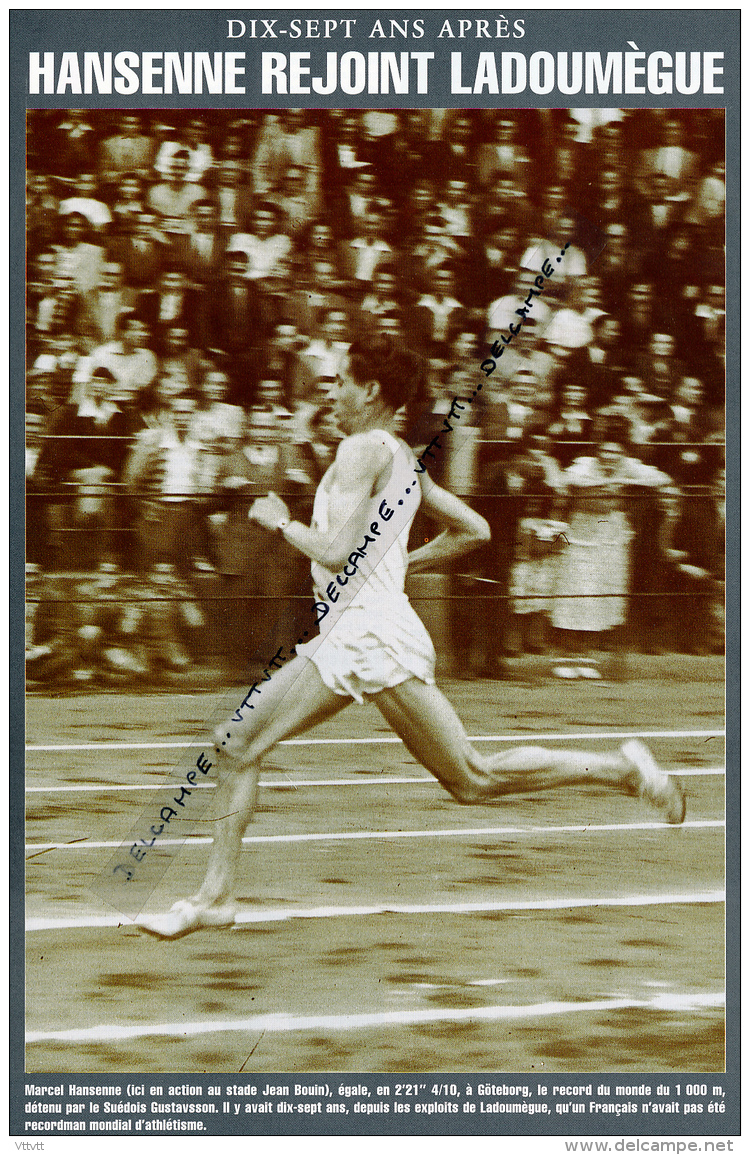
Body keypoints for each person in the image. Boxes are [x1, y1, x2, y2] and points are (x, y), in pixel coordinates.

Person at [139, 335, 686, 939]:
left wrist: (282, 522)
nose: (333, 388)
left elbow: (336, 550)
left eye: (342, 378)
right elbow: (472, 530)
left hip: (369, 635)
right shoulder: (398, 455)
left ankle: (624, 769)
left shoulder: (360, 450)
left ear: (371, 390)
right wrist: (396, 566)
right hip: (360, 629)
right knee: (250, 744)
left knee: (469, 778)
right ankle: (215, 896)